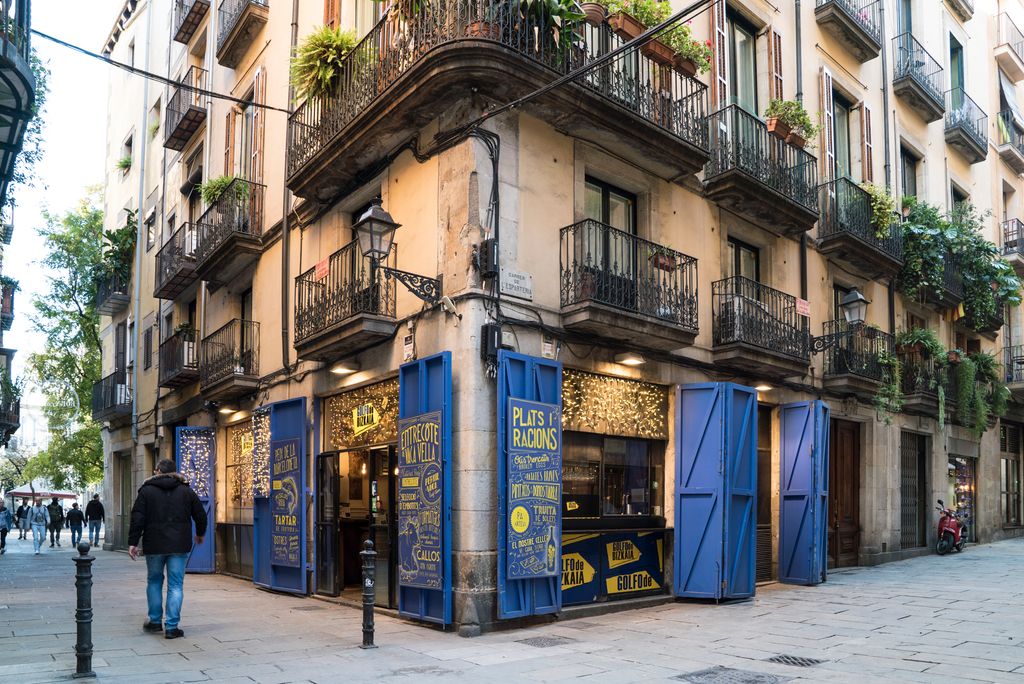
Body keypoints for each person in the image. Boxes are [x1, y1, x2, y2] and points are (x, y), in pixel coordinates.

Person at [128, 458, 207, 640]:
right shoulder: (186, 491)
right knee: (176, 585)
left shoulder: (146, 491)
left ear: (157, 471)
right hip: (179, 544)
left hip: (154, 544)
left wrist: (133, 542)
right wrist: (200, 533)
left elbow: (137, 517)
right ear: (175, 471)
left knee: (154, 581)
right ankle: (172, 627)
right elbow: (200, 515)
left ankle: (155, 621)